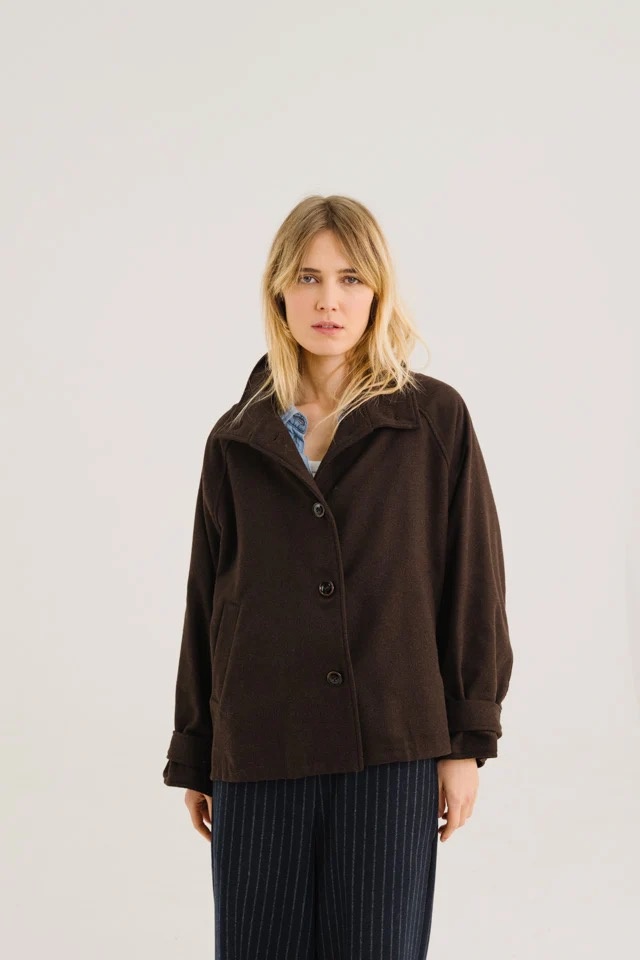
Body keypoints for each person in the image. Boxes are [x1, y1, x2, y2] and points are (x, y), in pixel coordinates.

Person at [163, 194, 514, 959]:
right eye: (309, 277)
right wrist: (196, 750)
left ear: (378, 292)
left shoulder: (432, 422)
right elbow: (207, 601)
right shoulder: (236, 438)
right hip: (260, 750)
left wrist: (466, 740)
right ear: (279, 292)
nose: (329, 300)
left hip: (391, 749)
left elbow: (472, 585)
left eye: (351, 278)